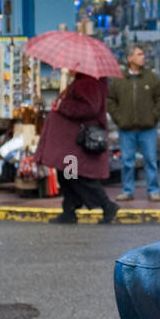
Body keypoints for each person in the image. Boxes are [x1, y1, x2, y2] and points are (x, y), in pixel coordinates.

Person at [34, 71, 118, 224]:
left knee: (77, 177)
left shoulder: (88, 83)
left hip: (74, 143)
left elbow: (90, 108)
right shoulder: (85, 81)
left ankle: (107, 206)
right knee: (68, 176)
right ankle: (70, 210)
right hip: (70, 142)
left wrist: (62, 105)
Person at [107, 44, 160, 204]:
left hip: (147, 128)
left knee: (151, 160)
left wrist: (153, 117)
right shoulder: (119, 79)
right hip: (126, 128)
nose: (143, 57)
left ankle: (153, 191)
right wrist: (119, 118)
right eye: (139, 54)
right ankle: (127, 190)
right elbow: (111, 100)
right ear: (129, 58)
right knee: (127, 161)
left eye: (143, 54)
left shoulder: (151, 78)